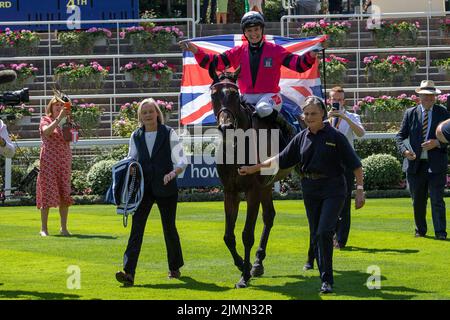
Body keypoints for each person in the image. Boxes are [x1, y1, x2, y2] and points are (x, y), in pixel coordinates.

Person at [239, 96, 365, 294]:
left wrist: (359, 190)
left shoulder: (336, 137)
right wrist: (253, 168)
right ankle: (323, 274)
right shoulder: (301, 138)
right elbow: (279, 159)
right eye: (306, 114)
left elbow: (356, 166)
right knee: (316, 234)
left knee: (324, 231)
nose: (309, 117)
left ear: (323, 113)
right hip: (310, 189)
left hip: (333, 188)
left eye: (313, 113)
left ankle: (327, 280)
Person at [180, 11, 319, 136]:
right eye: (249, 30)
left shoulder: (275, 50)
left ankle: (289, 129)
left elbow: (299, 65)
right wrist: (195, 50)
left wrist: (312, 54)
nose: (254, 33)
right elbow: (213, 63)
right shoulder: (237, 51)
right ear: (245, 33)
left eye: (256, 29)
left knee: (262, 108)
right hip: (246, 97)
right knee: (229, 111)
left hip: (271, 96)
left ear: (262, 29)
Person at [115, 98, 187, 287]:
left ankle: (174, 267)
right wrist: (127, 168)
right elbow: (132, 158)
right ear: (140, 116)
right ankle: (128, 272)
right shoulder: (136, 135)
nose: (147, 115)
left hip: (167, 188)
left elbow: (181, 161)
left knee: (169, 228)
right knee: (136, 230)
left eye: (150, 111)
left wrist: (173, 173)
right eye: (144, 112)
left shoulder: (169, 133)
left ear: (157, 113)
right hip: (143, 190)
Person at [303, 86, 365, 271]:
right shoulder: (321, 117)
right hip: (323, 168)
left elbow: (361, 133)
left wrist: (344, 117)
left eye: (339, 99)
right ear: (328, 100)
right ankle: (315, 252)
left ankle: (340, 239)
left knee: (344, 205)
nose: (336, 101)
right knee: (316, 219)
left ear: (344, 101)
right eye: (333, 98)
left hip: (344, 166)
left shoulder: (352, 116)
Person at [396, 80, 448, 241]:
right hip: (415, 165)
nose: (429, 99)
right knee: (417, 201)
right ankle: (420, 230)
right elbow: (400, 136)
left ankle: (440, 232)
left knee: (437, 200)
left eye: (431, 96)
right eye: (425, 96)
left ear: (435, 97)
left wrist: (437, 143)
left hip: (436, 164)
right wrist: (405, 151)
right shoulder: (410, 113)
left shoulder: (444, 113)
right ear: (419, 96)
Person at [36, 94, 73, 237]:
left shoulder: (67, 120)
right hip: (49, 161)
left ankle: (63, 228)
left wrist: (70, 124)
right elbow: (46, 132)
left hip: (64, 160)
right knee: (46, 192)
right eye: (56, 104)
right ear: (51, 107)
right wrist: (58, 119)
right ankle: (43, 228)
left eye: (61, 104)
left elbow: (70, 139)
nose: (58, 106)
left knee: (64, 193)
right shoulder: (45, 119)